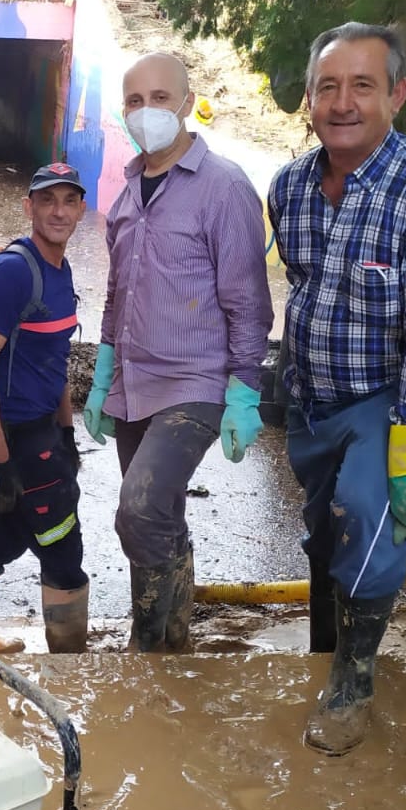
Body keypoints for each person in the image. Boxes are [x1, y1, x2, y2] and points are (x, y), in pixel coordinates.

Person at [268, 22, 406, 756]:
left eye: (362, 85)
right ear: (309, 98)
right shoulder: (290, 186)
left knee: (365, 524)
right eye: (328, 86)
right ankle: (327, 651)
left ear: (398, 94)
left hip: (381, 401)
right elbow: (302, 289)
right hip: (310, 400)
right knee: (323, 532)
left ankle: (353, 683)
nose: (342, 102)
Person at [84, 53, 275, 653]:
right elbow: (117, 293)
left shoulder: (224, 188)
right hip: (133, 384)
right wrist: (103, 376)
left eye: (160, 98)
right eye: (134, 101)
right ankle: (174, 641)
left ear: (188, 103)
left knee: (139, 510)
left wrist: (244, 391)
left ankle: (146, 646)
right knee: (162, 513)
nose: (147, 112)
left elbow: (249, 301)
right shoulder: (125, 194)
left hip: (196, 383)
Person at [0, 163, 90, 655]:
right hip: (18, 435)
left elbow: (55, 359)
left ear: (81, 209)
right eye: (47, 200)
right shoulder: (13, 272)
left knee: (7, 534)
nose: (58, 211)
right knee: (64, 550)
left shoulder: (61, 270)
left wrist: (67, 432)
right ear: (29, 207)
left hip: (46, 430)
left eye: (68, 201)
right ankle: (71, 668)